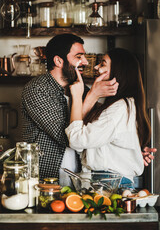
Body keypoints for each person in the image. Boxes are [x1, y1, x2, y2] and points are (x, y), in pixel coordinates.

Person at [21, 33, 119, 183]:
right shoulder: (37, 89)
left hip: (79, 178)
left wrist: (131, 148)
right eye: (79, 57)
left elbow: (101, 128)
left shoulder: (82, 89)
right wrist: (92, 96)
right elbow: (68, 137)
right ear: (59, 61)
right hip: (45, 180)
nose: (86, 62)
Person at [65, 48, 154, 187]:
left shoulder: (118, 109)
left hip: (109, 183)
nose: (95, 67)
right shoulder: (121, 106)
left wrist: (77, 96)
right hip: (109, 181)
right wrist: (91, 96)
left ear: (118, 73)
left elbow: (77, 140)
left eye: (102, 64)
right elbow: (84, 144)